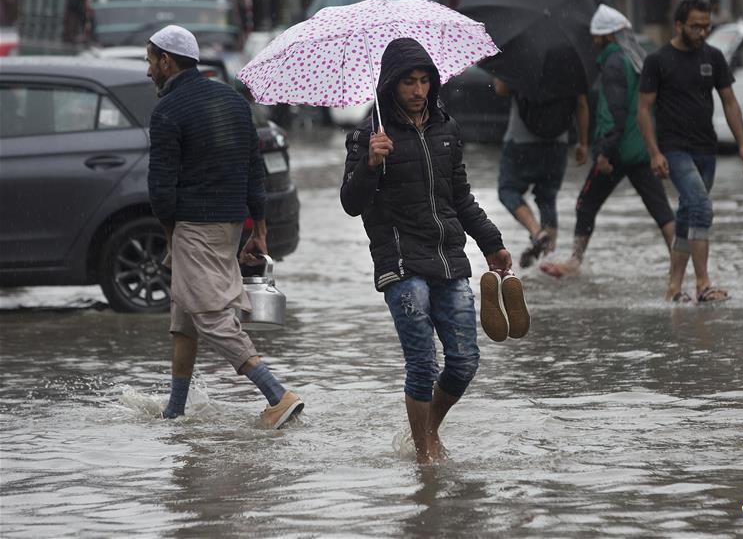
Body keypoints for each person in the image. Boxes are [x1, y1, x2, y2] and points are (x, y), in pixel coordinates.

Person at [341, 37, 521, 464]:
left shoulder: (446, 128)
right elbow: (351, 203)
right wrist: (369, 163)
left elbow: (460, 197)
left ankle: (426, 429)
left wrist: (492, 244)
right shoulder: (369, 135)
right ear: (390, 85)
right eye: (408, 83)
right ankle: (425, 454)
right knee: (422, 364)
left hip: (448, 258)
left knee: (464, 362)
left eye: (425, 81)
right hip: (400, 263)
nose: (418, 91)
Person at [147, 25, 303, 429]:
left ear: (167, 61)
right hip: (231, 223)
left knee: (212, 318)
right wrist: (260, 227)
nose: (148, 71)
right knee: (184, 317)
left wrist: (169, 233)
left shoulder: (167, 111)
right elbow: (254, 168)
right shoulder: (234, 102)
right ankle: (175, 411)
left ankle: (277, 394)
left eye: (150, 60)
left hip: (194, 227)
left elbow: (160, 187)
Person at [540, 5, 675, 278]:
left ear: (607, 37)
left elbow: (615, 111)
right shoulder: (636, 58)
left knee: (585, 203)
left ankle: (575, 262)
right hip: (640, 150)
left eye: (596, 36)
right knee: (661, 211)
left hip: (617, 151)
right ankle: (681, 260)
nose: (593, 41)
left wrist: (604, 152)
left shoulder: (614, 63)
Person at [637, 0, 743, 304]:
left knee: (689, 215)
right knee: (701, 207)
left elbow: (730, 101)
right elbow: (644, 110)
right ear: (678, 26)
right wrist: (654, 153)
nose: (702, 32)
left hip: (706, 148)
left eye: (707, 26)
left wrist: (742, 143)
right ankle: (704, 284)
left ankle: (674, 288)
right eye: (696, 26)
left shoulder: (713, 58)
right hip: (674, 149)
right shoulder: (658, 61)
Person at [495, 76, 589, 269]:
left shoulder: (518, 54)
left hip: (520, 142)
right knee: (547, 197)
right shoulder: (570, 58)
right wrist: (583, 143)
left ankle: (538, 234)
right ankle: (549, 260)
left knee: (507, 190)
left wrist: (501, 74)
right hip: (557, 143)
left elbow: (502, 89)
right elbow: (581, 104)